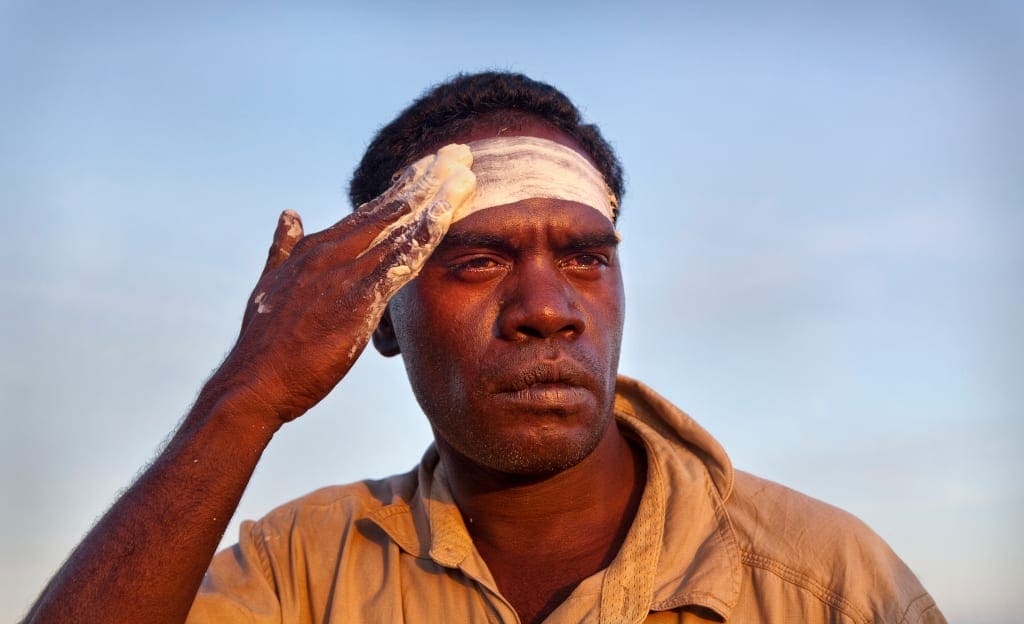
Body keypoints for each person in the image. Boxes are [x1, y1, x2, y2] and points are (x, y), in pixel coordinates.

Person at [22, 72, 946, 624]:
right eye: (477, 260)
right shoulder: (302, 567)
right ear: (380, 318)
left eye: (586, 258)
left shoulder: (830, 585)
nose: (547, 308)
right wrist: (247, 393)